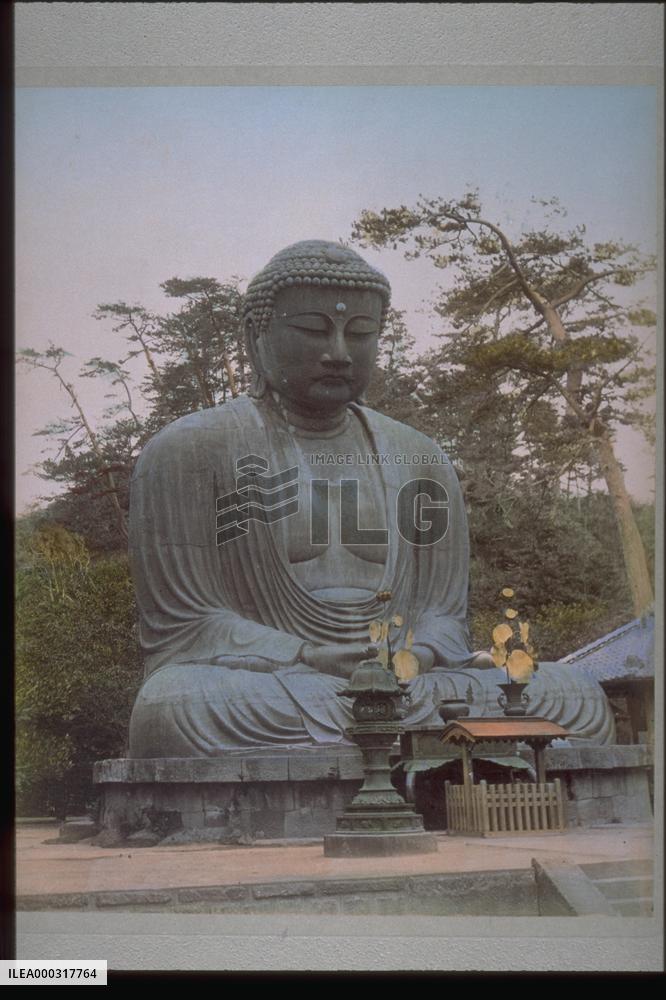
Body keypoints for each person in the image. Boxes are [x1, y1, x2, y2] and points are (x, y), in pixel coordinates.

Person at [128, 241, 614, 755]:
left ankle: (402, 730)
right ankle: (423, 738)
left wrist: (420, 656)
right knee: (175, 703)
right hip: (284, 681)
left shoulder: (420, 455)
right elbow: (185, 625)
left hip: (410, 683)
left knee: (572, 691)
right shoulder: (188, 450)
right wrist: (307, 653)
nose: (338, 352)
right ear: (257, 336)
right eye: (313, 330)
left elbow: (443, 615)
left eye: (360, 333)